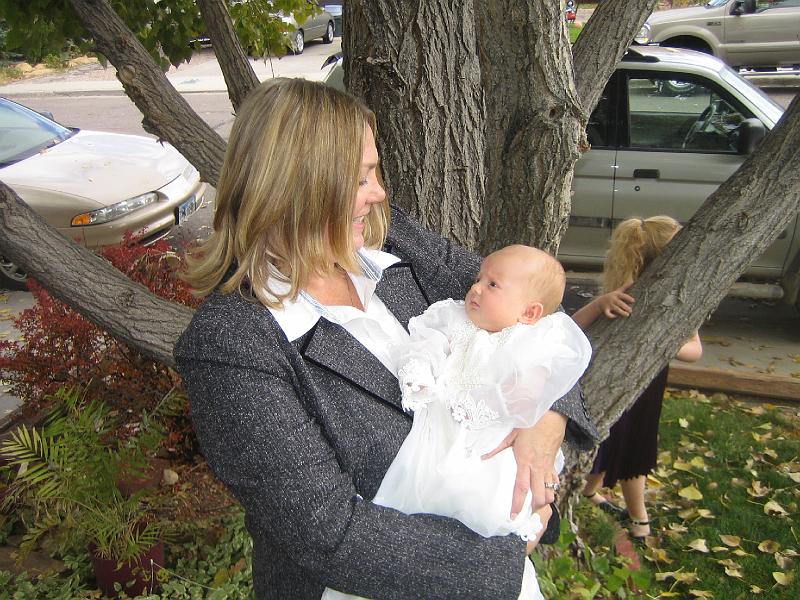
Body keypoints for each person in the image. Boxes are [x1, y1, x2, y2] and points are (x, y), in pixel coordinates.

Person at [174, 77, 597, 599]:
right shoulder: (233, 342)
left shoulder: (389, 242)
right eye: (362, 178)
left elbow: (535, 315)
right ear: (300, 185)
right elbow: (328, 533)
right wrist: (502, 561)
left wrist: (547, 420)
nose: (379, 193)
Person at [323, 245, 592, 600]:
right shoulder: (452, 318)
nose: (475, 287)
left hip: (495, 436)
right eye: (479, 278)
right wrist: (420, 373)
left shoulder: (533, 340)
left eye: (491, 285)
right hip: (440, 427)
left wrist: (542, 414)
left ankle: (514, 526)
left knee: (497, 490)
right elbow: (427, 344)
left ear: (530, 312)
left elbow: (551, 379)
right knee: (428, 487)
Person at [571, 216, 703, 543]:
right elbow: (571, 329)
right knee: (609, 443)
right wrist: (601, 304)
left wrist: (661, 339)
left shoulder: (678, 299)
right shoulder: (622, 293)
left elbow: (695, 349)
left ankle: (630, 511)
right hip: (610, 382)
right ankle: (615, 505)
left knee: (634, 447)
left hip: (648, 384)